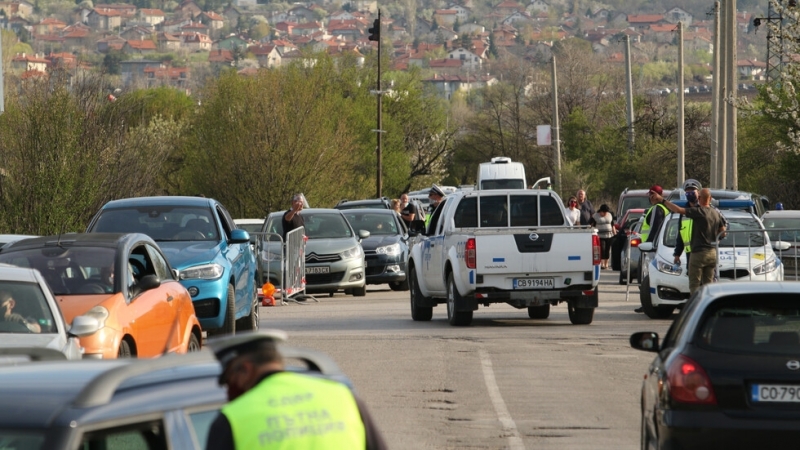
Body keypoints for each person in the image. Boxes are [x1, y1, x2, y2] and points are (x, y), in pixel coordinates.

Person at [205, 330, 388, 450]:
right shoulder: (344, 397)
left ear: (246, 369)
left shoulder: (232, 420)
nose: (229, 390)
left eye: (229, 380)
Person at [651, 188, 726, 295]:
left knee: (694, 285)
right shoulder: (716, 213)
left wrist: (662, 200)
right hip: (712, 253)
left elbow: (678, 210)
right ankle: (707, 307)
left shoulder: (698, 211)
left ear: (699, 198)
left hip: (698, 253)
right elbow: (723, 233)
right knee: (709, 285)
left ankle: (696, 308)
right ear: (710, 199)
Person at [591, 204, 616, 269]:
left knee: (607, 249)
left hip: (609, 235)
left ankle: (606, 263)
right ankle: (602, 263)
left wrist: (614, 233)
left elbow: (612, 224)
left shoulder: (610, 215)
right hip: (600, 235)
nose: (605, 213)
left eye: (606, 212)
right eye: (604, 212)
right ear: (600, 211)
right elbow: (592, 224)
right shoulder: (595, 216)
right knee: (602, 249)